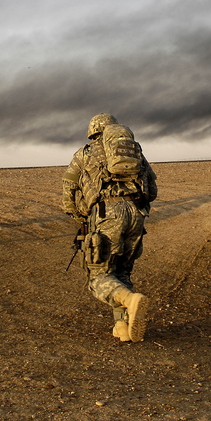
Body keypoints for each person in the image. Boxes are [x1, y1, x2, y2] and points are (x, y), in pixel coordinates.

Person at [63, 113, 158, 342]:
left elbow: (68, 191)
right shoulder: (135, 152)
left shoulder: (84, 153)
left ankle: (130, 300)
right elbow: (153, 190)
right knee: (122, 271)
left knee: (99, 276)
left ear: (93, 132)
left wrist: (80, 215)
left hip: (107, 214)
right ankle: (122, 326)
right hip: (137, 213)